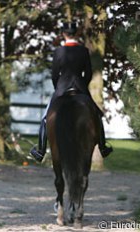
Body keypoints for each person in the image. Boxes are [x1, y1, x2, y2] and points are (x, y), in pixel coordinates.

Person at [30, 22, 113, 162]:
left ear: (63, 34)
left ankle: (40, 151)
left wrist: (59, 87)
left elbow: (55, 75)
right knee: (97, 115)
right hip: (80, 88)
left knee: (45, 118)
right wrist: (82, 86)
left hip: (62, 88)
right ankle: (103, 148)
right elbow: (88, 73)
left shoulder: (58, 51)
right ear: (76, 34)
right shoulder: (84, 51)